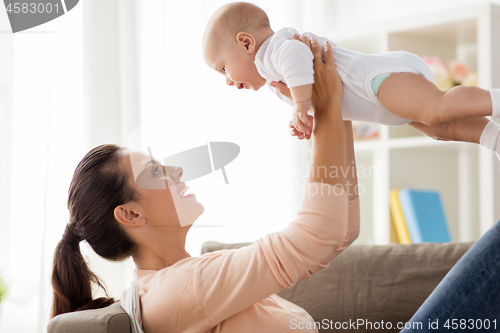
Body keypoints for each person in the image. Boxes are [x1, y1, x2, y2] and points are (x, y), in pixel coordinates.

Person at [51, 38, 360, 333]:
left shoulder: (190, 276)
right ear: (130, 215)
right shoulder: (183, 287)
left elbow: (339, 234)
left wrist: (338, 109)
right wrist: (326, 104)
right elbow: (319, 234)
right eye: (155, 171)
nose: (176, 169)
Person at [202, 2, 500, 161]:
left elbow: (297, 56)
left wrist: (301, 106)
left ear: (245, 43)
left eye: (223, 69)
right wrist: (307, 117)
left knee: (437, 109)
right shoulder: (275, 79)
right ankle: (494, 138)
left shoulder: (274, 50)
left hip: (377, 81)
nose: (228, 81)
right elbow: (328, 103)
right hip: (380, 103)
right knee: (440, 129)